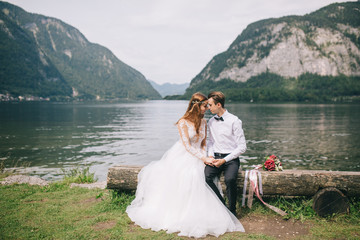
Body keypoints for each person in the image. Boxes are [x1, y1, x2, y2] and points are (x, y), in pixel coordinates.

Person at [126, 92, 245, 238]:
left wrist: (205, 157)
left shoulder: (206, 122)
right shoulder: (183, 122)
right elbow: (187, 146)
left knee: (209, 176)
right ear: (196, 106)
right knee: (191, 175)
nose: (207, 108)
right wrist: (205, 158)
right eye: (204, 106)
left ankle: (227, 209)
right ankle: (184, 211)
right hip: (185, 155)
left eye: (209, 105)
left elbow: (204, 143)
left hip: (210, 157)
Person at [206, 91, 247, 216]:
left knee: (230, 179)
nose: (208, 108)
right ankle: (222, 205)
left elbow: (242, 147)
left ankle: (232, 210)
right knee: (206, 177)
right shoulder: (211, 121)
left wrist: (224, 160)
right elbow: (210, 141)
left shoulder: (235, 121)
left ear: (218, 105)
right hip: (215, 157)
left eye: (210, 105)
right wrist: (211, 156)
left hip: (231, 159)